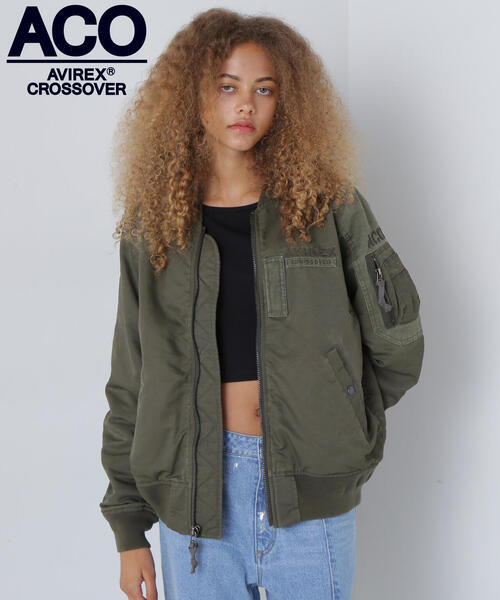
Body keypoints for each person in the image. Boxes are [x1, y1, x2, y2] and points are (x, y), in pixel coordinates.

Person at [99, 8, 425, 600]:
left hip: (310, 498)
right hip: (193, 500)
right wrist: (128, 528)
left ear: (285, 102)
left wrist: (343, 418)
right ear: (193, 95)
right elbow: (132, 377)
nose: (245, 105)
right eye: (227, 87)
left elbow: (397, 338)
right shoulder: (155, 226)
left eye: (264, 89)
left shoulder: (326, 205)